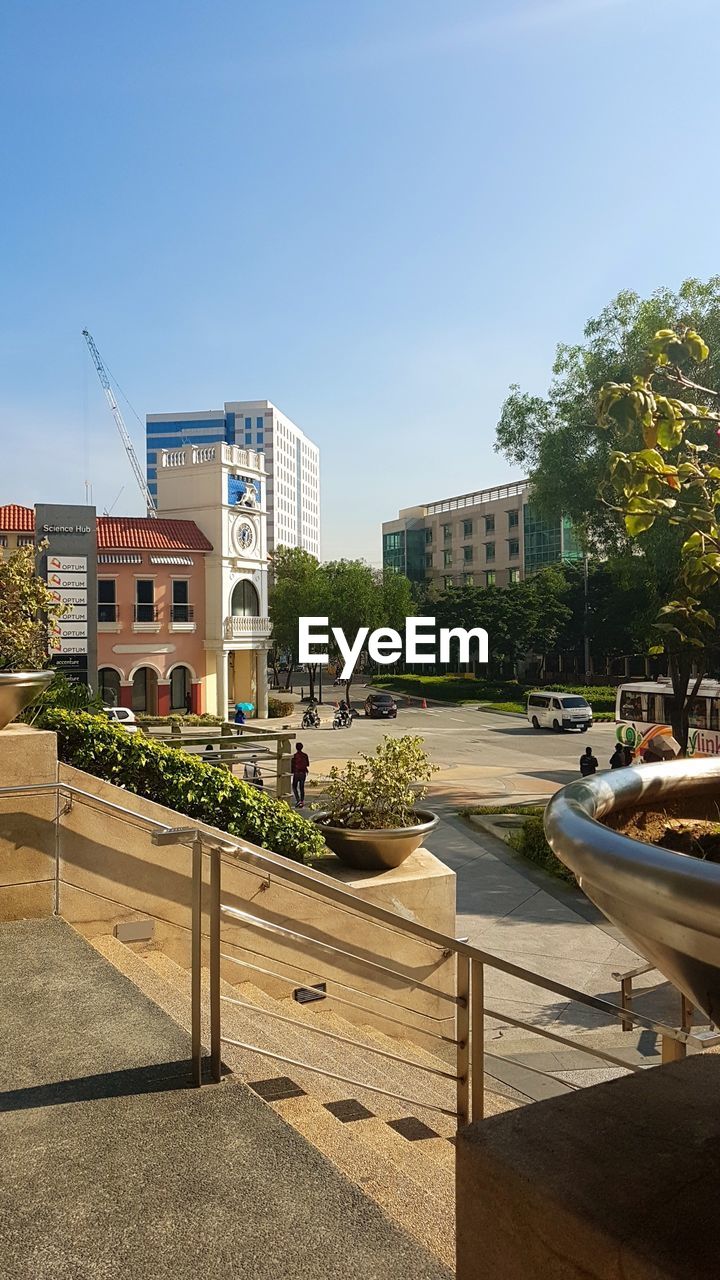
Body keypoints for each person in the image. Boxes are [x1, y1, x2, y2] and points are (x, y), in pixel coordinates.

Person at [291, 741, 310, 808]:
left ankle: (298, 799)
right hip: (303, 773)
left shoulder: (294, 756)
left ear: (296, 748)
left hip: (296, 773)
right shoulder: (305, 755)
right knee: (301, 787)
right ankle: (302, 801)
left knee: (294, 786)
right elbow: (307, 764)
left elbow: (292, 766)